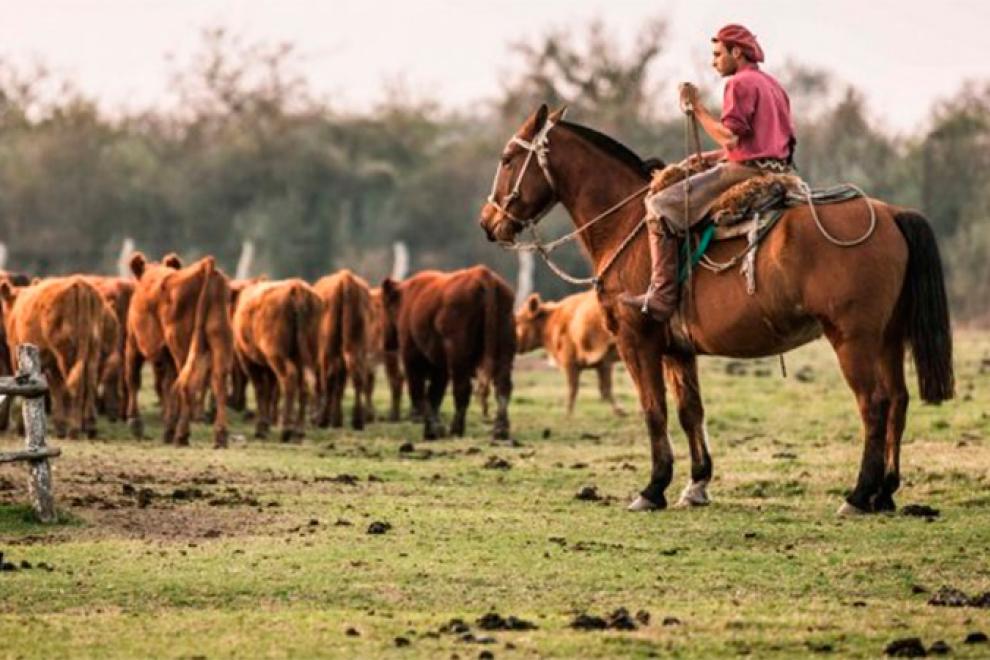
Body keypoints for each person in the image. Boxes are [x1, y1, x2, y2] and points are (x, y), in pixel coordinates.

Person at [620, 24, 796, 322]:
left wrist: (697, 106)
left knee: (659, 205)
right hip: (778, 169)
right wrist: (706, 159)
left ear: (736, 52)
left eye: (717, 54)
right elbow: (760, 143)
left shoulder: (739, 83)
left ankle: (661, 295)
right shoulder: (772, 84)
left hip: (745, 173)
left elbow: (730, 138)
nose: (713, 61)